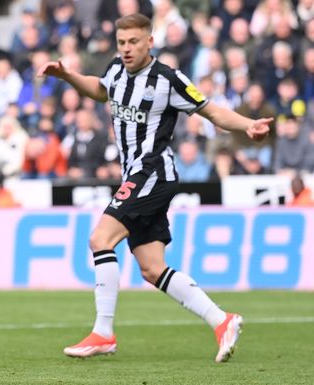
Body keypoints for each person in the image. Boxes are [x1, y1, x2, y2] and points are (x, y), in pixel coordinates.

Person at [38, 13, 272, 363]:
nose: (127, 49)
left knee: (100, 239)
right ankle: (222, 320)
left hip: (153, 173)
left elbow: (211, 111)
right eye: (122, 42)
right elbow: (101, 90)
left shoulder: (168, 79)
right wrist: (68, 75)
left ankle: (103, 332)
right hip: (134, 174)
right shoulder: (116, 70)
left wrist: (248, 124)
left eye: (134, 42)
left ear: (150, 41)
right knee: (151, 267)